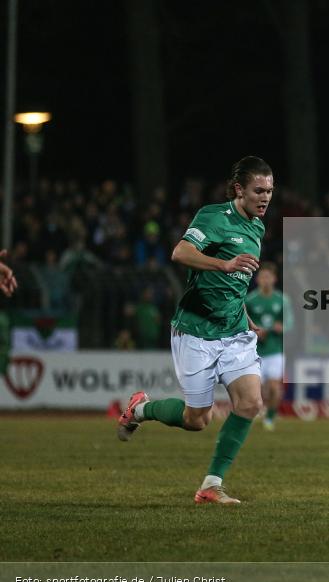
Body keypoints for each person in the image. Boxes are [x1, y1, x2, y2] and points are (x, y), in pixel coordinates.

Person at [117, 156, 273, 505]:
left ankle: (210, 485)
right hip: (196, 330)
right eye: (258, 190)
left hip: (234, 331)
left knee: (250, 403)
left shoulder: (258, 227)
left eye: (270, 191)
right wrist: (223, 262)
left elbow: (237, 281)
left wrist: (245, 315)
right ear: (239, 189)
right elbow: (180, 252)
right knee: (196, 419)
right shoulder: (213, 216)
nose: (265, 198)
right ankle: (141, 408)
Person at [245, 262, 293, 431]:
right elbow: (242, 322)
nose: (265, 280)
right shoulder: (249, 300)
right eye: (262, 276)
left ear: (274, 279)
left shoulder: (282, 300)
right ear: (258, 279)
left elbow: (290, 322)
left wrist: (282, 327)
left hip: (275, 350)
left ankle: (271, 418)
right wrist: (253, 330)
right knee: (260, 390)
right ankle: (264, 411)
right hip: (255, 351)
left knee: (274, 386)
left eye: (268, 277)